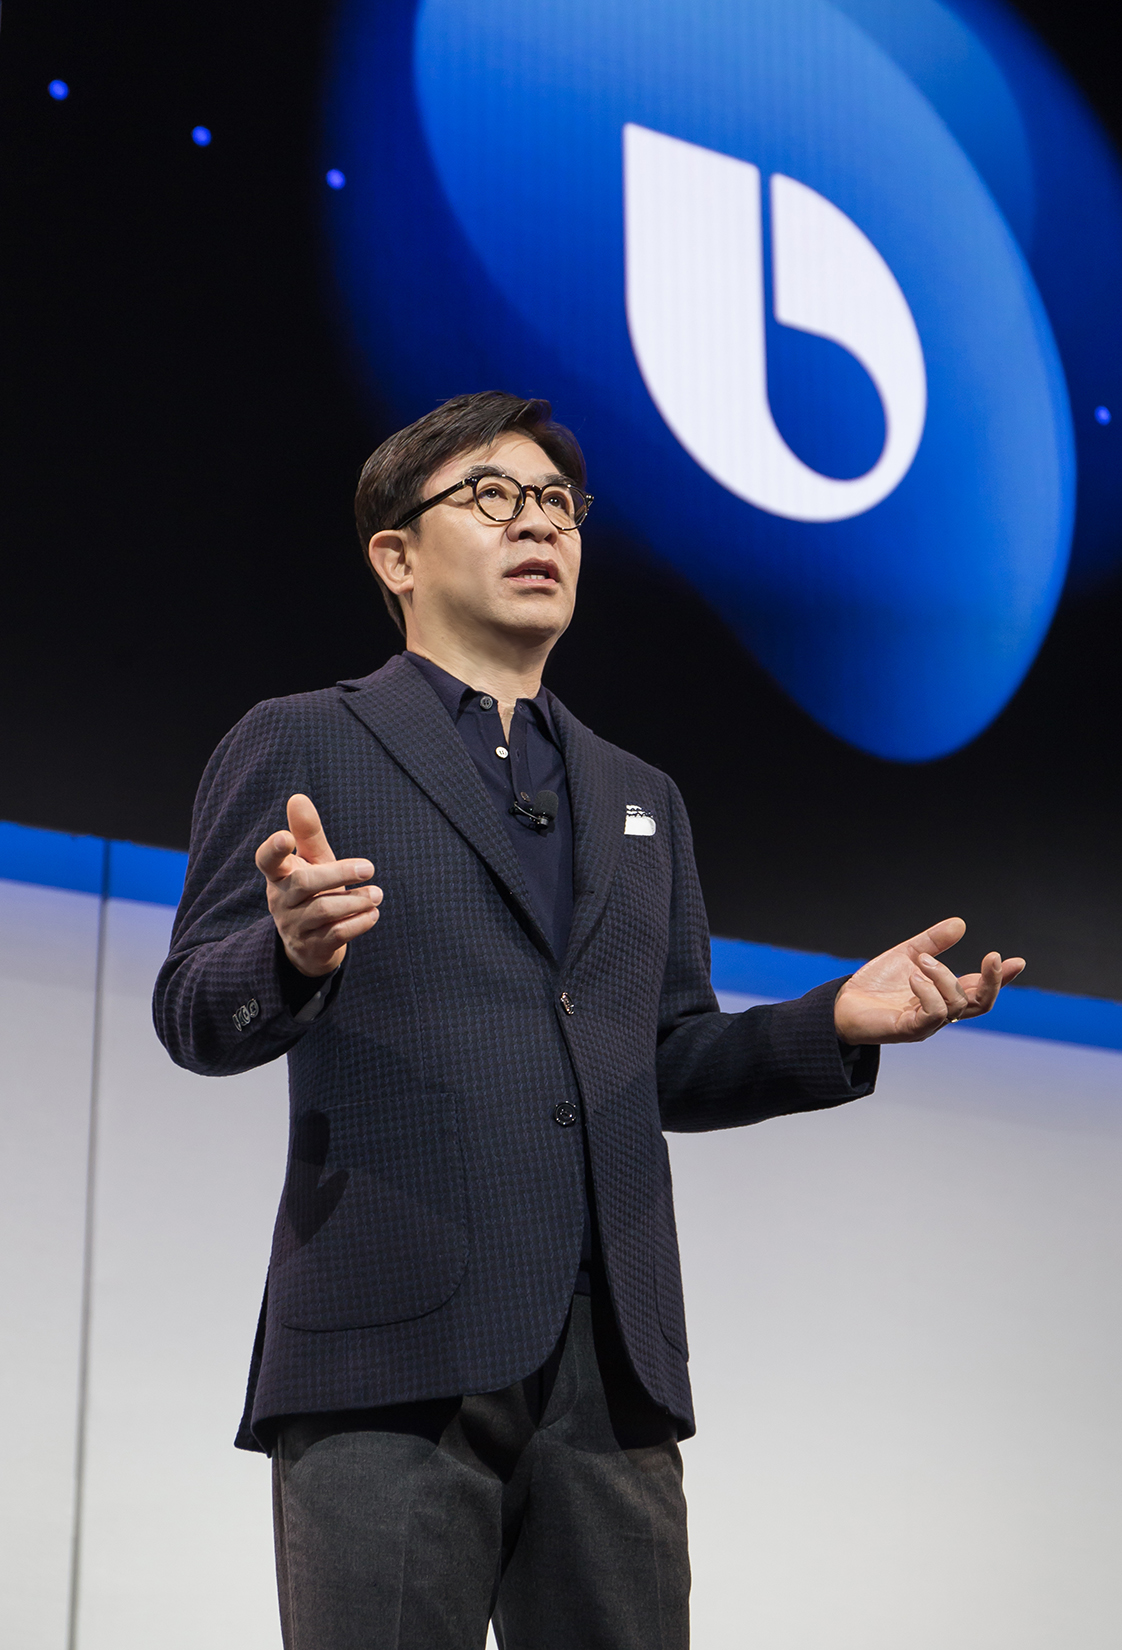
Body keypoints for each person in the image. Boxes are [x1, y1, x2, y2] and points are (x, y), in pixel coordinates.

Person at [153, 391, 1025, 1650]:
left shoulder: (639, 794)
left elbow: (665, 1057)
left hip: (611, 1370)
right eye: (492, 498)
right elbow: (193, 1009)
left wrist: (832, 1020)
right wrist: (287, 954)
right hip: (388, 1356)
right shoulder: (304, 740)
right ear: (396, 556)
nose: (538, 526)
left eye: (559, 504)